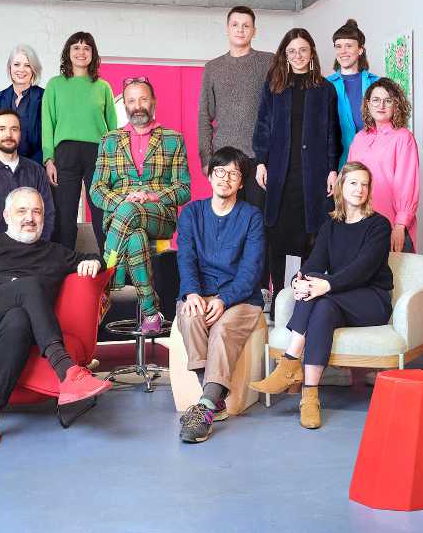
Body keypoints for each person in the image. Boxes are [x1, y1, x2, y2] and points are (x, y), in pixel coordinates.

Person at [0, 187, 112, 454]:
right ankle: (68, 370)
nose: (30, 217)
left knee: (18, 320)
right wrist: (13, 284)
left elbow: (95, 258)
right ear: (6, 215)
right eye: (22, 210)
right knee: (28, 287)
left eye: (36, 211)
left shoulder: (54, 253)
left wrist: (96, 263)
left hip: (14, 330)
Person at [249, 162, 392, 429]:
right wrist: (299, 281)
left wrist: (325, 285)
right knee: (321, 305)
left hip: (371, 300)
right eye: (353, 183)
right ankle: (310, 397)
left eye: (364, 184)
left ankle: (290, 363)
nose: (359, 189)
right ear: (341, 187)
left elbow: (362, 269)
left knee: (321, 294)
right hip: (337, 298)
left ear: (369, 190)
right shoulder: (331, 224)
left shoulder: (379, 226)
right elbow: (314, 263)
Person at [175, 147, 265, 443]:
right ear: (210, 175)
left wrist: (224, 299)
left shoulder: (251, 216)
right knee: (189, 318)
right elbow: (185, 258)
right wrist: (191, 293)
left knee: (223, 328)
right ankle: (213, 401)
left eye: (234, 173)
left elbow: (251, 271)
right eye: (220, 171)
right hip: (200, 293)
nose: (226, 178)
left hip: (240, 299)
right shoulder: (191, 213)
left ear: (241, 182)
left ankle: (204, 407)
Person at [90, 77, 191, 333]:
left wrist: (153, 196)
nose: (138, 106)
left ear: (153, 102)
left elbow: (184, 189)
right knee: (135, 238)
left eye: (143, 99)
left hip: (159, 215)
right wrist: (123, 199)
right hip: (123, 219)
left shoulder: (172, 139)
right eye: (132, 100)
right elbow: (97, 190)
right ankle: (150, 312)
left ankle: (105, 283)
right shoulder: (109, 140)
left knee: (131, 211)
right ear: (125, 105)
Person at [252, 28, 339, 302]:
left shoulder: (325, 89)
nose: (298, 56)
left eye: (303, 50)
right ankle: (280, 296)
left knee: (310, 235)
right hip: (280, 172)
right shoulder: (274, 85)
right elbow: (263, 125)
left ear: (311, 52)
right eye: (292, 51)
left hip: (313, 173)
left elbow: (331, 133)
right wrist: (261, 161)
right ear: (284, 55)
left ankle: (305, 296)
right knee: (278, 235)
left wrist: (332, 168)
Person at [41, 31, 118, 250]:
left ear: (93, 54)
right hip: (64, 153)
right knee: (65, 212)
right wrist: (49, 159)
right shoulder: (55, 85)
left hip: (98, 153)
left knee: (101, 210)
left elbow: (113, 128)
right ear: (68, 53)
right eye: (76, 47)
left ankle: (110, 266)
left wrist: (113, 160)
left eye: (86, 48)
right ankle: (63, 265)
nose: (81, 52)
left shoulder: (103, 87)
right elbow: (48, 124)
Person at [198, 6, 273, 204]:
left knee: (259, 219)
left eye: (246, 25)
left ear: (254, 31)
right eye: (235, 25)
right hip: (224, 159)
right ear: (227, 28)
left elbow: (278, 111)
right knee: (228, 217)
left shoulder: (269, 62)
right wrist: (207, 159)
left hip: (259, 159)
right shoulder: (213, 68)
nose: (240, 29)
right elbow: (204, 115)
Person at [348, 77, 419, 252]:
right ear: (368, 104)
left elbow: (406, 184)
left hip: (392, 226)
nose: (381, 105)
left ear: (396, 105)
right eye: (376, 100)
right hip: (360, 226)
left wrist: (400, 225)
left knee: (397, 278)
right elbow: (348, 181)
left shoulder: (403, 137)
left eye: (388, 101)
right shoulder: (359, 138)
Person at [0, 108, 55, 241]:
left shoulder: (36, 171)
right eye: (1, 129)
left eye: (14, 129)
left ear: (20, 134)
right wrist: (5, 249)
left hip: (34, 251)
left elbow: (48, 215)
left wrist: (37, 247)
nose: (8, 134)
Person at [326, 19, 380, 169]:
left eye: (349, 46)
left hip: (373, 162)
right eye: (338, 46)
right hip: (338, 165)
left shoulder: (377, 84)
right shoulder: (325, 85)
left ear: (360, 50)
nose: (343, 51)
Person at [0, 45, 45, 164]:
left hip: (35, 168)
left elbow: (48, 141)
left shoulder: (45, 98)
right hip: (1, 168)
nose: (21, 70)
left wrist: (28, 168)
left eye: (27, 65)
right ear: (9, 68)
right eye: (17, 64)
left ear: (34, 69)